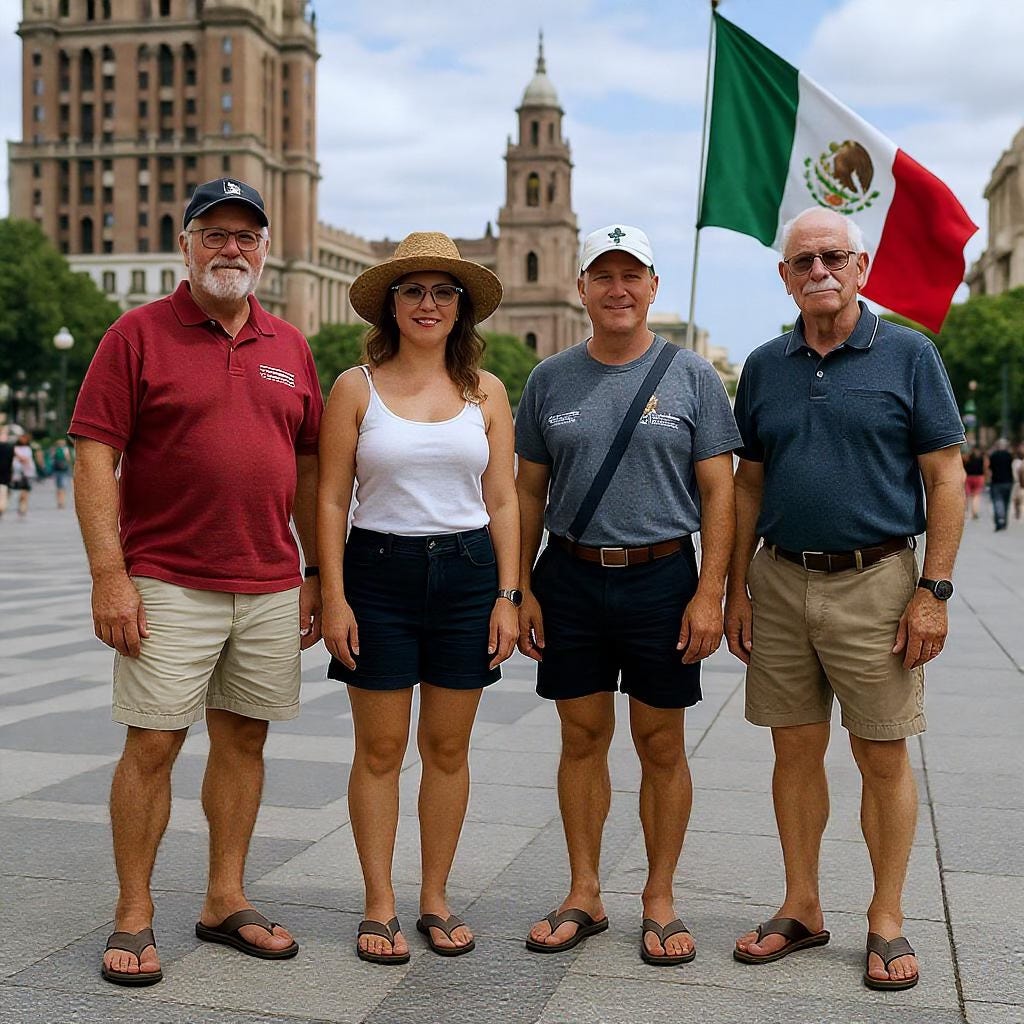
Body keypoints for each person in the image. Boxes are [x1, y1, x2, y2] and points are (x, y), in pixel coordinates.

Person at [70, 178, 323, 987]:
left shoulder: (290, 345)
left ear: (264, 250)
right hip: (168, 579)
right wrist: (109, 575)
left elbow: (310, 467)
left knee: (245, 739)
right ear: (185, 246)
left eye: (246, 236)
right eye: (214, 233)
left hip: (268, 580)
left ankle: (224, 898)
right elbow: (94, 456)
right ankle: (133, 910)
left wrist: (316, 571)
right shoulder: (136, 334)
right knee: (154, 742)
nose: (230, 249)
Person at [726, 207, 965, 991]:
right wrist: (735, 588)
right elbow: (749, 482)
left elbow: (945, 479)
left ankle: (886, 918)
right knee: (793, 752)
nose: (819, 271)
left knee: (881, 754)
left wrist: (932, 592)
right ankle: (801, 905)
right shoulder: (765, 365)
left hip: (879, 582)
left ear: (861, 268)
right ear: (785, 277)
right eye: (803, 261)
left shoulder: (909, 354)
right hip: (780, 580)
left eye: (834, 257)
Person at [515, 225, 739, 965]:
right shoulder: (549, 379)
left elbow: (720, 493)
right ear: (581, 287)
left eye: (631, 275)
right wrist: (519, 588)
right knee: (581, 739)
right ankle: (584, 891)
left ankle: (659, 898)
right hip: (571, 577)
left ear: (653, 286)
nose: (618, 289)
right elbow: (527, 491)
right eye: (603, 276)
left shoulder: (693, 376)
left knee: (661, 744)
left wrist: (710, 592)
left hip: (662, 579)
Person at [317, 232, 518, 964]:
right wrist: (334, 595)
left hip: (467, 575)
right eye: (413, 291)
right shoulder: (355, 387)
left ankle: (435, 896)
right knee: (379, 749)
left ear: (460, 306)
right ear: (391, 304)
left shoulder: (486, 391)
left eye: (442, 291)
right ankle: (379, 902)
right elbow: (331, 497)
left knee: (447, 748)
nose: (427, 304)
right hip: (377, 574)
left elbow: (503, 499)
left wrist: (508, 594)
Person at [986, 438, 1014, 531]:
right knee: (1006, 502)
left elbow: (990, 469)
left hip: (996, 482)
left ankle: (999, 520)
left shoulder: (993, 455)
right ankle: (1004, 522)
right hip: (1008, 482)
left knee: (997, 501)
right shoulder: (1009, 455)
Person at [10, 432, 36, 517]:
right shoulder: (15, 448)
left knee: (26, 491)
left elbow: (26, 459)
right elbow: (22, 458)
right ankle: (21, 506)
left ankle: (23, 508)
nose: (23, 440)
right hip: (18, 472)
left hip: (28, 472)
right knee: (21, 491)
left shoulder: (28, 448)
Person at [962, 445, 984, 519]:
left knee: (967, 495)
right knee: (976, 496)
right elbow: (985, 467)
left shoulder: (966, 458)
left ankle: (966, 512)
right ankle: (975, 512)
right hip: (979, 477)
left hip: (968, 477)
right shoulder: (981, 458)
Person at [50, 437, 72, 509]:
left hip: (56, 469)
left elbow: (51, 458)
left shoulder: (54, 449)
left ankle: (59, 502)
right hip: (64, 469)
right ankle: (62, 502)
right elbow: (68, 459)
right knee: (63, 487)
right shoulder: (65, 449)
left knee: (58, 487)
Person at [0, 426, 14, 518]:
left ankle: (1, 508)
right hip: (5, 475)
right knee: (3, 493)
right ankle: (1, 508)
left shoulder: (10, 447)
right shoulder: (10, 447)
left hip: (5, 475)